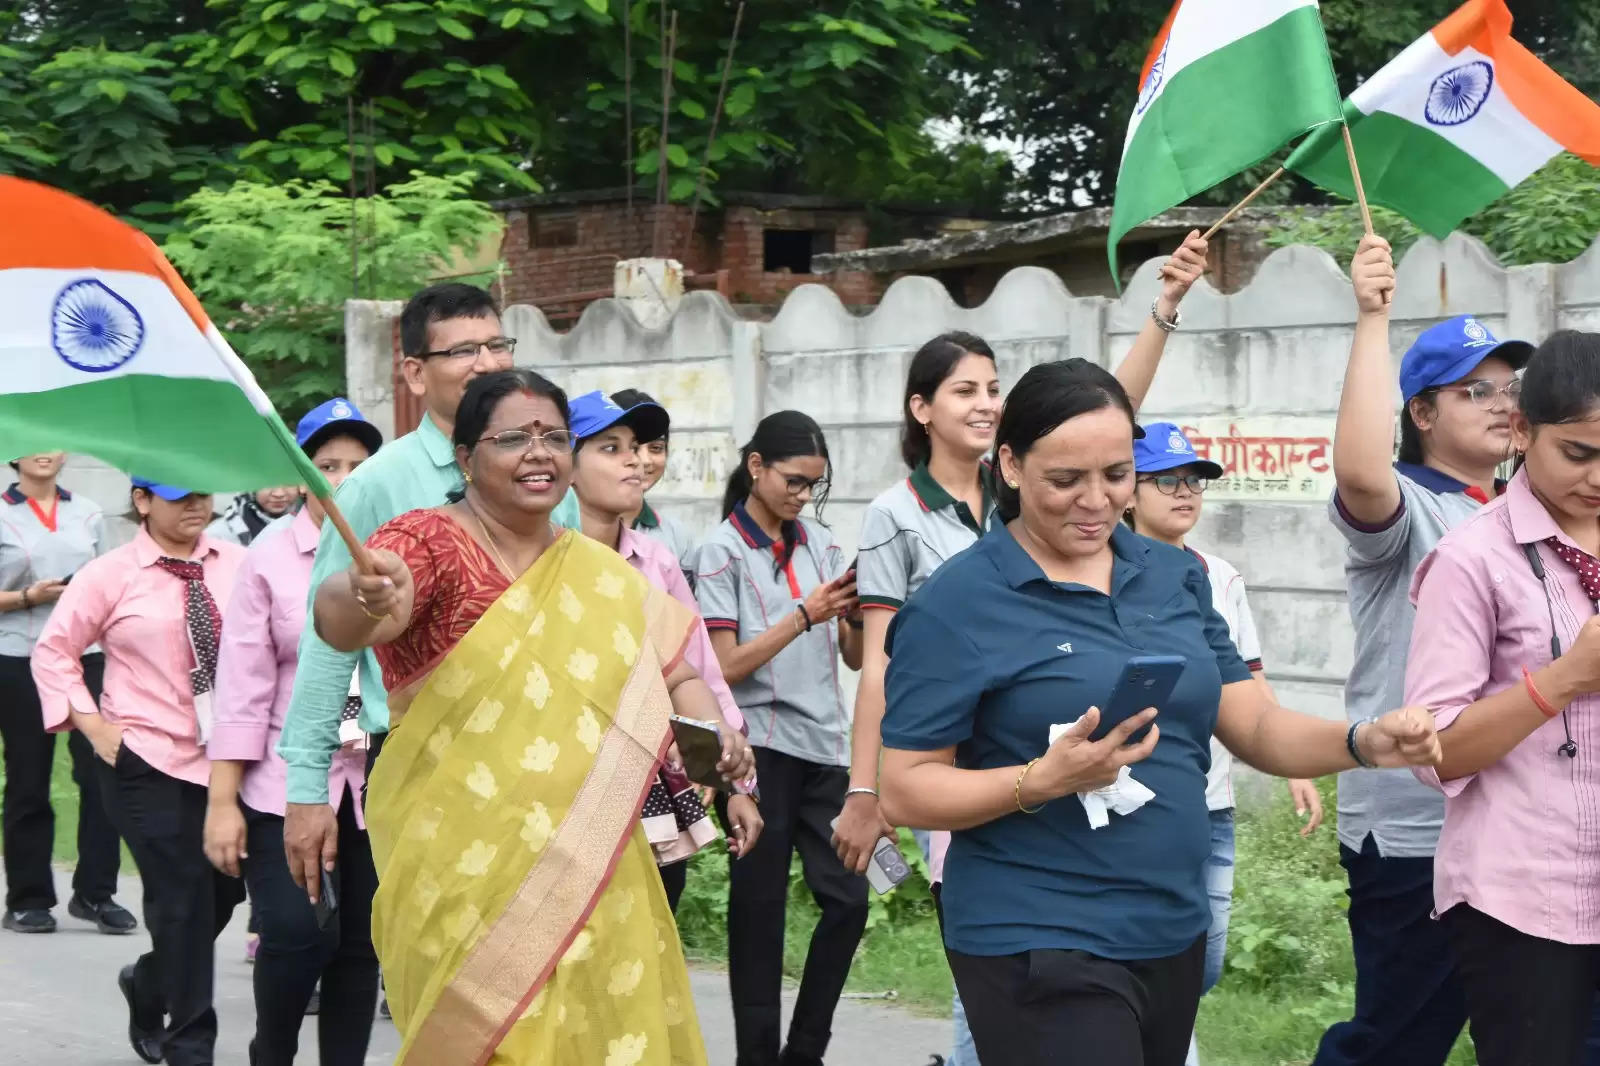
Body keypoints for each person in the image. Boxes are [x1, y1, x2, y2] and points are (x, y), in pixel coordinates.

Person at [876, 358, 1443, 1066]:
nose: (1095, 501)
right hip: (1034, 931)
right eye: (1065, 480)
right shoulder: (958, 603)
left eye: (1116, 475)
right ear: (1012, 466)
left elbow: (1256, 725)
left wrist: (1365, 741)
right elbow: (904, 786)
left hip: (1171, 927)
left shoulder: (1172, 575)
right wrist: (1040, 780)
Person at [839, 232, 1211, 1066]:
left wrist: (1162, 310)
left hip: (1157, 906)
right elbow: (881, 674)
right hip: (1018, 886)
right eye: (963, 389)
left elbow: (1104, 417)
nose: (1096, 500)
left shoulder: (1146, 558)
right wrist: (868, 787)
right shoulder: (909, 528)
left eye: (991, 387)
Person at [310, 369, 753, 1065]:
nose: (539, 452)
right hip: (466, 872)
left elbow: (675, 672)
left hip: (596, 862)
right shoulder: (427, 542)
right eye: (513, 437)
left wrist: (716, 735)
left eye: (554, 436)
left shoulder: (597, 572)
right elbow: (352, 620)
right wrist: (359, 594)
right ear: (465, 458)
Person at [279, 283, 579, 894]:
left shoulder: (552, 487)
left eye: (498, 345)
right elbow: (330, 641)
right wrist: (307, 790)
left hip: (543, 757)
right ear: (415, 373)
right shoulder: (374, 486)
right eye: (465, 350)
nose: (490, 364)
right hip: (425, 758)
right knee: (435, 959)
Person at [1313, 236, 1532, 1066]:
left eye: (1512, 388)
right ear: (1423, 414)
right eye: (1475, 390)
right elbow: (1363, 474)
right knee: (1401, 1039)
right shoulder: (1408, 511)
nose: (1501, 403)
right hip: (1416, 830)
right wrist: (1373, 318)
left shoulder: (1531, 513)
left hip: (1519, 823)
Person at [1404, 330, 1600, 1066]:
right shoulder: (1470, 559)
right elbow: (1436, 748)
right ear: (1521, 430)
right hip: (1523, 894)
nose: (1597, 477)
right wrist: (1561, 682)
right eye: (1578, 454)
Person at [1124, 422, 1323, 1065]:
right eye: (1167, 481)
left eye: (1194, 483)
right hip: (1137, 800)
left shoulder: (1221, 578)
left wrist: (1293, 764)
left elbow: (1250, 680)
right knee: (1147, 954)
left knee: (1203, 960)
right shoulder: (1108, 577)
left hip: (1211, 802)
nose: (1185, 494)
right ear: (1129, 492)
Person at [33, 478, 248, 1066]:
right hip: (147, 758)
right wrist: (96, 728)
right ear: (143, 500)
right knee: (182, 897)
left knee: (225, 893)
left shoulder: (239, 563)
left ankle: (150, 982)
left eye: (203, 493)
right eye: (179, 495)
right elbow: (54, 651)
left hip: (231, 759)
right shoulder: (109, 573)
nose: (196, 505)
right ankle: (190, 1046)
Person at [202, 399, 384, 1065]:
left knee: (360, 946)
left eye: (358, 466)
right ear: (301, 473)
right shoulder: (267, 561)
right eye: (326, 465)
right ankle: (271, 1052)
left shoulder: (398, 551)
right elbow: (242, 687)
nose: (343, 479)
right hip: (284, 785)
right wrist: (223, 803)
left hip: (375, 786)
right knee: (295, 933)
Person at [694, 410, 865, 1066]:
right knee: (758, 914)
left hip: (824, 747)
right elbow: (723, 666)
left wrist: (849, 618)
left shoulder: (822, 544)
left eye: (813, 486)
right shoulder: (719, 552)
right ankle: (756, 1058)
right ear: (757, 467)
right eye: (794, 481)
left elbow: (850, 659)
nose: (802, 496)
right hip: (757, 751)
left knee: (850, 899)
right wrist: (804, 614)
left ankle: (805, 1051)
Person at [566, 389, 763, 912]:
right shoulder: (539, 564)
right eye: (610, 447)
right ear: (564, 464)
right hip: (561, 793)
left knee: (652, 928)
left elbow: (696, 674)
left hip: (647, 787)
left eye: (638, 445)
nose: (635, 459)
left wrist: (736, 783)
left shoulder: (656, 563)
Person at [0, 453, 133, 936]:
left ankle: (97, 894)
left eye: (54, 442)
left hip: (87, 656)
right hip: (18, 656)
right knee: (29, 777)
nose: (45, 450)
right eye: (34, 442)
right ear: (14, 455)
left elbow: (113, 583)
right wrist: (26, 598)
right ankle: (28, 899)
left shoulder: (90, 513)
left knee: (102, 774)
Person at [611, 387, 696, 568]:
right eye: (633, 447)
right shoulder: (564, 527)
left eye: (656, 448)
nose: (644, 460)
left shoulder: (676, 535)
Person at [207, 485, 298, 546]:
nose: (279, 494)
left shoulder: (308, 524)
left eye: (289, 483)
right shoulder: (221, 533)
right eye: (268, 483)